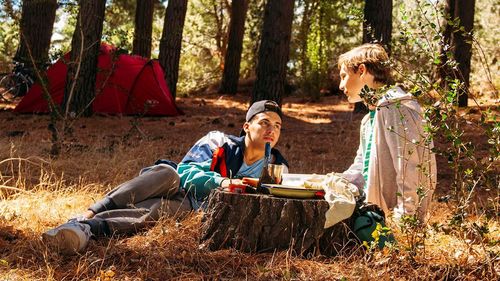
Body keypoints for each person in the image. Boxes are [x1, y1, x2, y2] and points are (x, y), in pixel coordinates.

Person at [42, 100, 289, 254]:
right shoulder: (219, 141)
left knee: (154, 212)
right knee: (167, 173)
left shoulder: (277, 166)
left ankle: (83, 230)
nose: (271, 130)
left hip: (193, 204)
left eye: (277, 126)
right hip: (173, 183)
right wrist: (223, 182)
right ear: (246, 127)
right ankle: (90, 212)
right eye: (265, 122)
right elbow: (186, 172)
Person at [337, 44, 437, 222]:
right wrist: (335, 182)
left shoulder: (396, 107)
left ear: (362, 70)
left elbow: (409, 168)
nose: (341, 85)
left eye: (344, 76)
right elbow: (362, 168)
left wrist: (405, 220)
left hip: (399, 221)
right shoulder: (370, 119)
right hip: (377, 217)